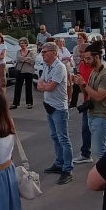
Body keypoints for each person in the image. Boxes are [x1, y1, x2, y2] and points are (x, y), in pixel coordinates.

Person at [72, 41, 106, 160]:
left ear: (97, 57)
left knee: (100, 153)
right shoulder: (94, 72)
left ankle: (105, 177)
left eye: (89, 58)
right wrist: (79, 83)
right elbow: (86, 92)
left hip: (101, 116)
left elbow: (99, 96)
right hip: (93, 114)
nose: (86, 61)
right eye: (85, 58)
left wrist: (83, 84)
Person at [39, 42, 74, 185]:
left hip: (59, 108)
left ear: (54, 53)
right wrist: (45, 85)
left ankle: (67, 169)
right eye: (42, 52)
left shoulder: (59, 67)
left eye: (45, 52)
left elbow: (51, 87)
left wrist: (45, 85)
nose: (42, 54)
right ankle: (59, 163)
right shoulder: (47, 66)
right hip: (49, 106)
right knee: (55, 136)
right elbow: (39, 84)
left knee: (63, 138)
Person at [11, 38, 36, 110]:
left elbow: (33, 61)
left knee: (28, 88)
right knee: (18, 88)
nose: (21, 45)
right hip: (20, 71)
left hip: (29, 71)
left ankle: (29, 103)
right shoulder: (18, 52)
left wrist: (24, 59)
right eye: (20, 43)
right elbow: (18, 58)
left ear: (26, 44)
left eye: (23, 43)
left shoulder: (31, 53)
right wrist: (27, 59)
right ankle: (15, 103)